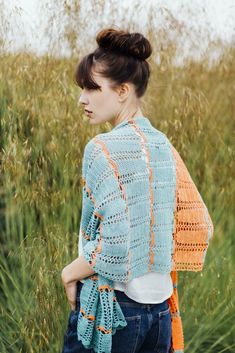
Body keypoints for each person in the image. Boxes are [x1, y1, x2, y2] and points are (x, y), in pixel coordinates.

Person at [61, 27, 214, 353]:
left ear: (123, 90)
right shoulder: (162, 146)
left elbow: (114, 247)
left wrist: (69, 273)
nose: (82, 98)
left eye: (92, 87)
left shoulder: (102, 148)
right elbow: (200, 224)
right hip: (159, 316)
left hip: (112, 309)